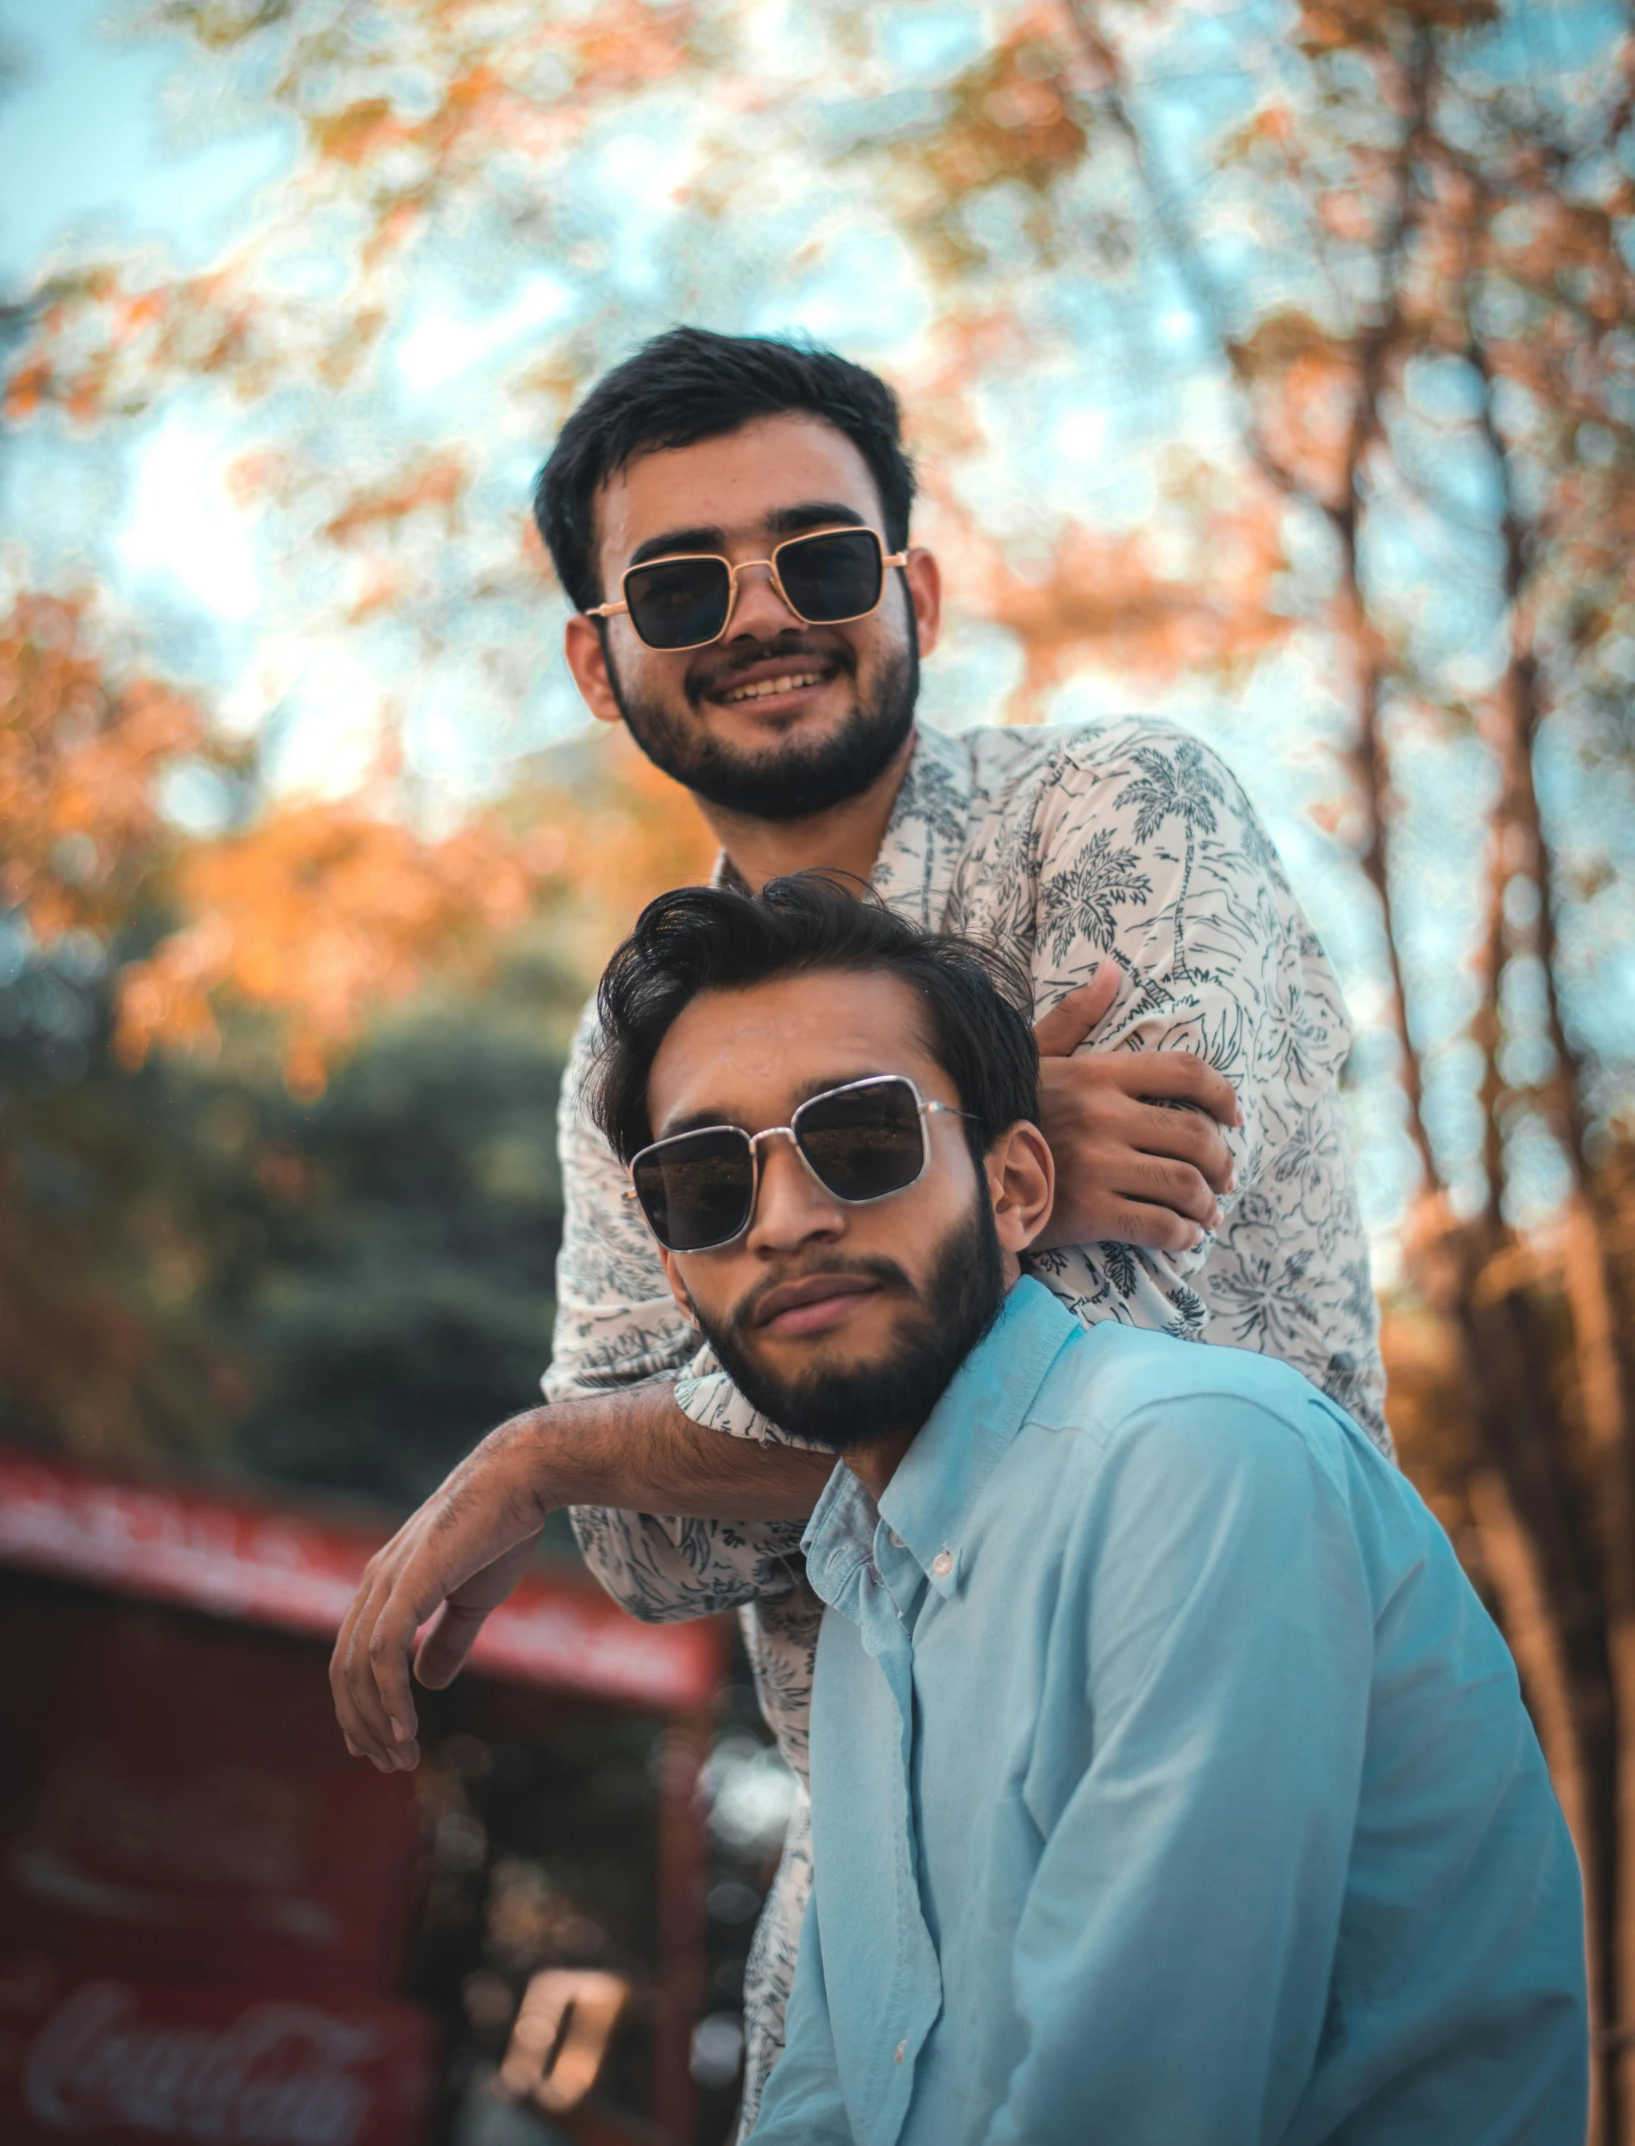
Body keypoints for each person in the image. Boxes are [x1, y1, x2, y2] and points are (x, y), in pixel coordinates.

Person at [331, 327, 1391, 2127]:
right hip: (866, 1925)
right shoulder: (639, 1032)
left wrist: (573, 1441)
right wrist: (964, 1167)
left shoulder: (1123, 808)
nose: (758, 611)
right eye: (679, 583)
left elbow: (1100, 1337)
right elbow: (649, 1553)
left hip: (1226, 1786)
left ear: (913, 589)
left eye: (814, 556)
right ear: (599, 661)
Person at [593, 872, 1587, 2146]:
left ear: (1014, 1190)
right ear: (679, 1275)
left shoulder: (1195, 1464)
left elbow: (1134, 2102)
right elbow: (832, 2104)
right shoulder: (858, 1594)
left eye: (859, 1138)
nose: (786, 1219)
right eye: (704, 1182)